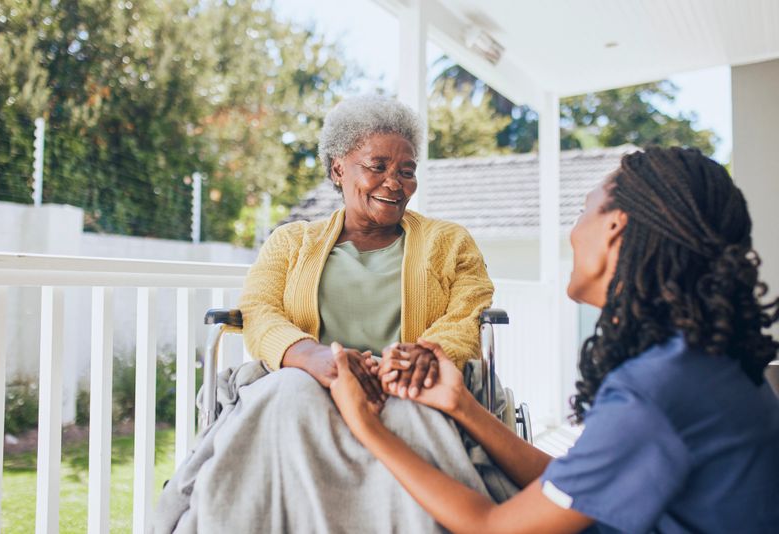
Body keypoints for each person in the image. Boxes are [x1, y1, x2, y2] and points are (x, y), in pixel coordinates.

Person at [330, 146, 779, 533]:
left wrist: (365, 425)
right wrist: (462, 405)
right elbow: (574, 483)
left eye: (583, 210)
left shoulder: (656, 393)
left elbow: (494, 527)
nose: (573, 231)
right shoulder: (697, 364)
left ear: (613, 228)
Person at [155, 95, 501, 533]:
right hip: (309, 378)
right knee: (288, 395)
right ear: (339, 169)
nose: (394, 183)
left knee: (411, 412)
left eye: (406, 171)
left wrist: (427, 354)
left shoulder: (450, 242)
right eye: (377, 166)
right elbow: (258, 310)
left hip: (407, 384)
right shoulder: (290, 242)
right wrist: (316, 359)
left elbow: (469, 311)